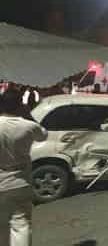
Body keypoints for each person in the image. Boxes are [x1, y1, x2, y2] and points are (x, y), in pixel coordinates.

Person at [0, 88, 48, 246]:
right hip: (20, 182)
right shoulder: (28, 126)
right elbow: (44, 135)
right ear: (19, 105)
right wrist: (27, 113)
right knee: (21, 225)